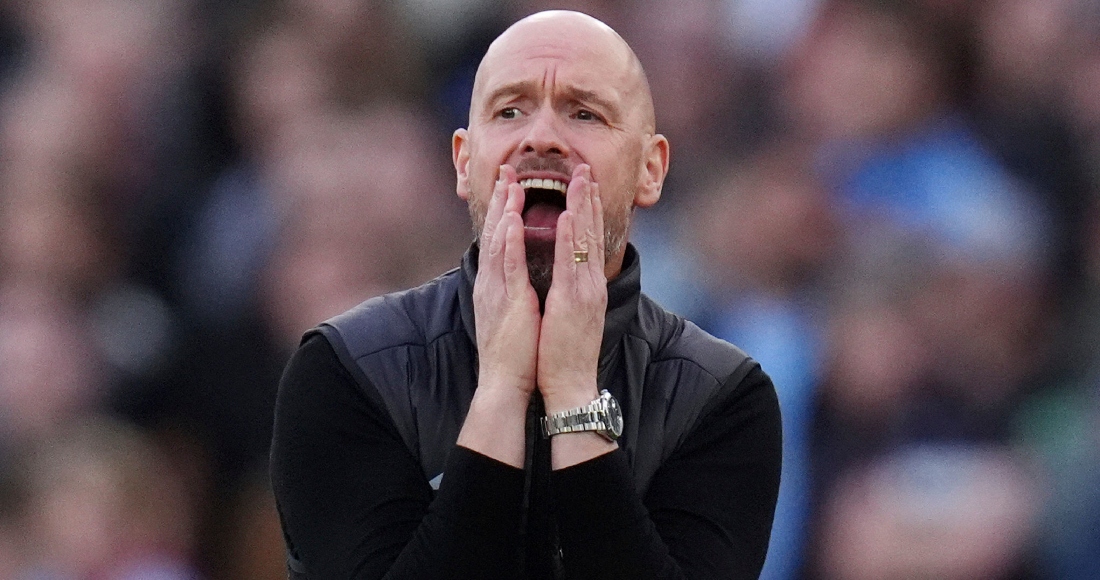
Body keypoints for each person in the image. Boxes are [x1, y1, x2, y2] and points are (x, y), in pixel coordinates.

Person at [270, 10, 781, 579]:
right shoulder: (349, 368)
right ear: (465, 162)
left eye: (584, 113)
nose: (540, 138)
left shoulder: (721, 398)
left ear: (650, 170)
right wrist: (501, 393)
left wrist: (570, 393)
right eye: (509, 111)